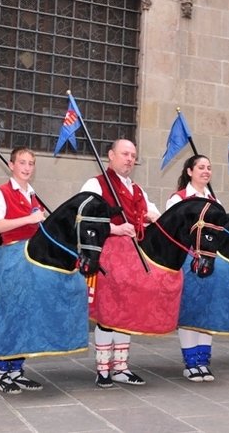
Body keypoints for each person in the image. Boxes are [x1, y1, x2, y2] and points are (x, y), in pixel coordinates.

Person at [80, 139, 161, 387]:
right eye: (124, 154)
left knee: (127, 309)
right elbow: (83, 218)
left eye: (133, 155)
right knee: (109, 310)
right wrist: (114, 228)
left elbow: (155, 216)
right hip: (108, 254)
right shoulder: (96, 184)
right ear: (111, 156)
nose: (129, 159)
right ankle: (103, 369)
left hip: (134, 257)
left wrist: (154, 220)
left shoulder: (138, 190)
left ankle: (122, 367)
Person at [0, 146, 46, 394]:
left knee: (25, 317)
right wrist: (29, 220)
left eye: (31, 163)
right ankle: (2, 373)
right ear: (11, 165)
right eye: (22, 162)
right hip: (8, 259)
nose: (27, 167)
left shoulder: (33, 196)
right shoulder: (0, 193)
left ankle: (17, 371)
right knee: (8, 315)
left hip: (30, 261)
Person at [165, 155, 219, 382]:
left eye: (208, 167)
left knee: (207, 309)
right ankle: (190, 363)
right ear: (189, 171)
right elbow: (172, 232)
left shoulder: (214, 201)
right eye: (201, 167)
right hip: (188, 260)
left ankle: (203, 361)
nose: (205, 171)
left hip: (210, 260)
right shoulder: (178, 199)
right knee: (190, 309)